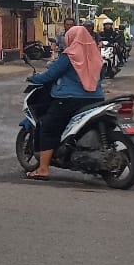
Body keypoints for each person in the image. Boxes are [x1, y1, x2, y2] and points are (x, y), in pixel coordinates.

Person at [24, 25, 105, 180]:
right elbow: (101, 76)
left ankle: (43, 169)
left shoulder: (70, 55)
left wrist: (33, 78)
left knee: (48, 127)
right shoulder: (96, 55)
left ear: (71, 39)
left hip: (69, 100)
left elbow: (50, 75)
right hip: (96, 99)